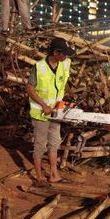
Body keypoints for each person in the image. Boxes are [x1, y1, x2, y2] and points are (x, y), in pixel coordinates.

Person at [26, 37, 74, 185]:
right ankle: (39, 177)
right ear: (55, 52)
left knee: (54, 143)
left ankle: (54, 174)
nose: (66, 56)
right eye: (63, 53)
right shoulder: (39, 67)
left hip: (56, 112)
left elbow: (63, 81)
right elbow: (29, 88)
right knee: (40, 145)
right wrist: (43, 105)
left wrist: (70, 94)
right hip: (41, 114)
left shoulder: (64, 64)